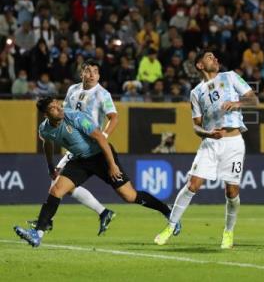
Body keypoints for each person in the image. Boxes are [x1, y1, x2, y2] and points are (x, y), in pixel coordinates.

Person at [14, 98, 181, 247]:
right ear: (45, 114)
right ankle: (38, 234)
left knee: (129, 196)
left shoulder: (75, 117)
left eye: (58, 104)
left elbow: (101, 138)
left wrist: (112, 165)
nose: (59, 108)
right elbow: (47, 143)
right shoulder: (44, 129)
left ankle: (167, 210)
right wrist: (50, 166)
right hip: (80, 161)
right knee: (56, 190)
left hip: (101, 156)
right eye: (53, 108)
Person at [154, 51, 258, 249]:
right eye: (210, 57)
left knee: (232, 192)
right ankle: (170, 226)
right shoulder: (196, 93)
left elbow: (253, 100)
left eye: (215, 57)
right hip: (211, 143)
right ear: (200, 65)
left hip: (234, 142)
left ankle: (228, 232)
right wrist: (209, 134)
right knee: (192, 184)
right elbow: (196, 126)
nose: (216, 59)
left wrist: (237, 103)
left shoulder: (230, 77)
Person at [28, 60, 117, 235]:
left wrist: (104, 137)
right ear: (81, 73)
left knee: (58, 184)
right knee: (58, 183)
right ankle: (102, 212)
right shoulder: (72, 90)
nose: (91, 74)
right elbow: (63, 113)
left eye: (95, 71)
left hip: (90, 143)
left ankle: (47, 221)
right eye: (87, 71)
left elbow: (113, 117)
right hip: (74, 143)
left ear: (98, 75)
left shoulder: (102, 94)